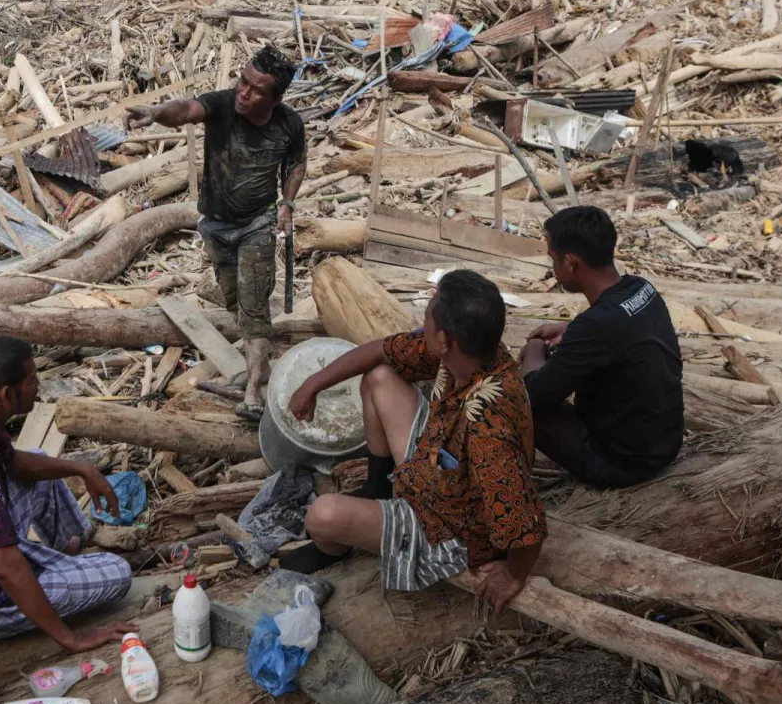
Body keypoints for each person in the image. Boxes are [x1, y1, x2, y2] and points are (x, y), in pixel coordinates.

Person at [278, 270, 546, 612]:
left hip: (450, 526)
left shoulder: (488, 430)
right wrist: (313, 383)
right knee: (378, 378)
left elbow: (526, 523)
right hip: (442, 463)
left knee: (321, 516)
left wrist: (513, 574)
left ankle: (333, 546)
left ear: (445, 339)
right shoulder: (473, 352)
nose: (423, 324)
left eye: (427, 318)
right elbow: (381, 351)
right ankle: (379, 487)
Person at [0, 336, 138, 651]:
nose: (38, 387)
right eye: (32, 381)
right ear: (7, 394)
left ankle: (64, 556)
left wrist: (83, 469)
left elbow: (15, 462)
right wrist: (70, 638)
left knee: (38, 460)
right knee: (119, 573)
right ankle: (52, 576)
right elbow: (5, 566)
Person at [126, 45, 306, 421]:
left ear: (275, 98)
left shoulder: (289, 124)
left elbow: (296, 163)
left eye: (256, 89)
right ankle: (260, 369)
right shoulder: (223, 105)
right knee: (235, 303)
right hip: (215, 226)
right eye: (242, 80)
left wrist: (286, 204)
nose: (244, 91)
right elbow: (188, 109)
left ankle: (254, 393)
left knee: (254, 308)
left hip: (257, 224)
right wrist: (158, 113)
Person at [521, 205, 684, 488]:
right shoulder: (640, 288)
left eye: (554, 260)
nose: (554, 269)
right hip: (665, 443)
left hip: (624, 464)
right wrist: (571, 329)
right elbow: (616, 326)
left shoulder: (596, 326)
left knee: (514, 401)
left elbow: (533, 395)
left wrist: (535, 346)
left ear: (571, 263)